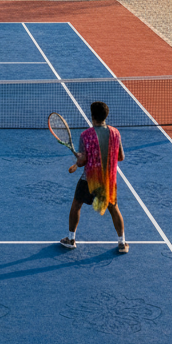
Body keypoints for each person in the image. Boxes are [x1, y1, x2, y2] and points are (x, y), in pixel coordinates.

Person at [60, 100, 128, 254]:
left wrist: (79, 158)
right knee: (113, 208)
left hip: (89, 180)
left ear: (92, 116)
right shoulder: (116, 133)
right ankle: (122, 243)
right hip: (108, 180)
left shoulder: (86, 135)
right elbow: (121, 157)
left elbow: (82, 162)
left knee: (77, 204)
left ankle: (71, 239)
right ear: (106, 116)